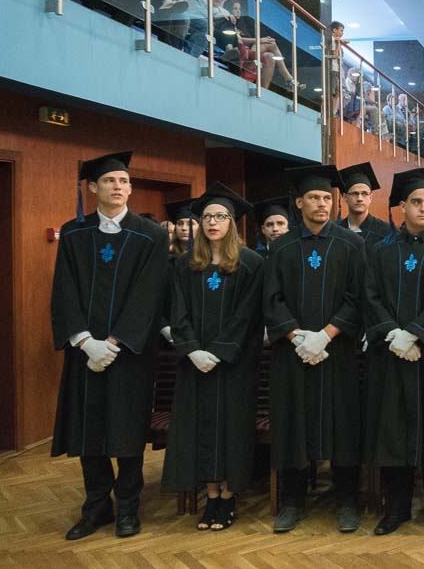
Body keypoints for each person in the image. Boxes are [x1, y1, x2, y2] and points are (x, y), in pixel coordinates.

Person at [50, 151, 169, 540]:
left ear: (130, 189)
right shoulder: (74, 233)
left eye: (123, 181)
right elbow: (64, 289)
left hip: (130, 352)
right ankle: (96, 507)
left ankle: (128, 508)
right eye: (109, 181)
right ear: (92, 188)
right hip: (84, 352)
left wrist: (114, 342)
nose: (118, 187)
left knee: (127, 430)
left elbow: (148, 294)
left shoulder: (150, 235)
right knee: (89, 429)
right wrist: (86, 342)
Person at [263, 165, 367, 534]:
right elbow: (271, 299)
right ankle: (292, 502)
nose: (322, 204)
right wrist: (297, 337)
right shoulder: (281, 247)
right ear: (299, 203)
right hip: (292, 355)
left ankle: (346, 501)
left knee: (342, 426)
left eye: (326, 198)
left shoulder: (351, 245)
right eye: (314, 198)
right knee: (293, 424)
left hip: (337, 353)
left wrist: (325, 335)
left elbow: (358, 297)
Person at [362, 166, 424, 536]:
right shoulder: (381, 251)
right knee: (394, 433)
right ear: (402, 207)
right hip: (391, 357)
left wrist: (416, 336)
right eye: (417, 202)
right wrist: (394, 334)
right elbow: (371, 296)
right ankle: (397, 509)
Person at [162, 183, 264, 531]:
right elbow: (178, 312)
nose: (212, 222)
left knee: (231, 428)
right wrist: (192, 350)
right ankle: (210, 495)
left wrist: (219, 352)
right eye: (207, 217)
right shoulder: (185, 265)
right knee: (199, 428)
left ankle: (228, 496)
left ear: (232, 222)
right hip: (195, 364)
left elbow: (247, 315)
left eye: (220, 216)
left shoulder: (251, 264)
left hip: (234, 364)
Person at [339, 162, 391, 248]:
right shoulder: (336, 231)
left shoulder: (386, 232)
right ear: (345, 197)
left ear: (370, 197)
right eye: (354, 193)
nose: (360, 198)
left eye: (364, 193)